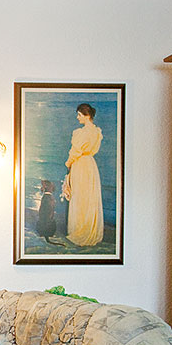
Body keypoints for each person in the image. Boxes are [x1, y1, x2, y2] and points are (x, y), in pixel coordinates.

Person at [62, 103, 104, 246]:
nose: (77, 117)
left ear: (87, 116)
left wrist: (68, 164)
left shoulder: (81, 133)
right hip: (90, 165)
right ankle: (88, 229)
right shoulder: (96, 132)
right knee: (88, 197)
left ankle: (80, 230)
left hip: (80, 165)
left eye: (79, 115)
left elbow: (75, 152)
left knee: (80, 197)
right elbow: (93, 149)